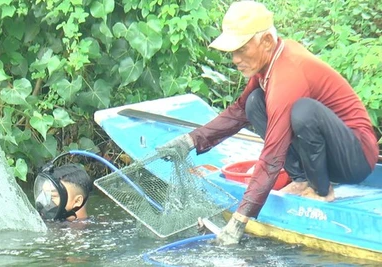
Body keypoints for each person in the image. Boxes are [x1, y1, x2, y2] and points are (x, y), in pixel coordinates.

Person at [157, 1, 379, 245]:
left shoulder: (288, 74)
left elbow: (272, 156)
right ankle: (302, 180)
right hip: (327, 155)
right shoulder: (269, 63)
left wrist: (240, 220)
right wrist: (190, 140)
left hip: (356, 157)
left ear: (266, 42)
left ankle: (321, 191)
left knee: (303, 112)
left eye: (241, 49)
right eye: (232, 52)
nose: (235, 59)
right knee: (253, 102)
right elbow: (240, 111)